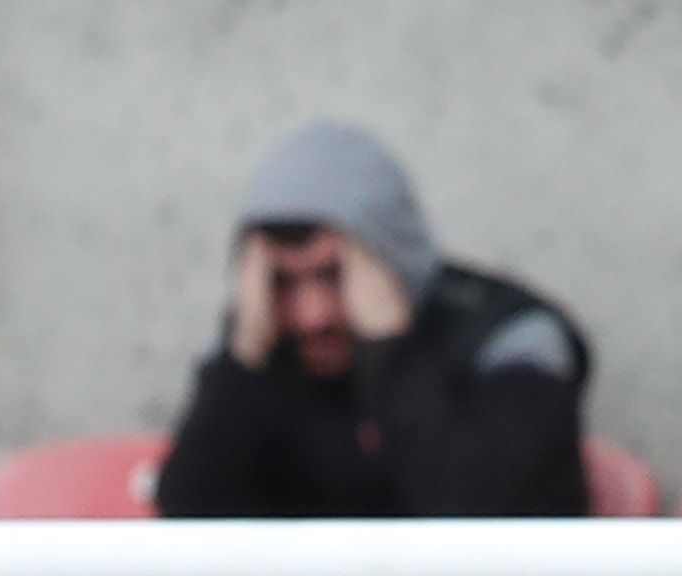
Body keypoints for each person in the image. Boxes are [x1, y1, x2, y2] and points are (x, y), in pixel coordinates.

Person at [153, 121, 592, 522]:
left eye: (333, 275)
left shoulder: (507, 336)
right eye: (282, 282)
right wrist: (242, 362)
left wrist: (389, 349)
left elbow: (482, 519)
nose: (313, 316)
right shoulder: (259, 349)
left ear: (390, 256)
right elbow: (185, 529)